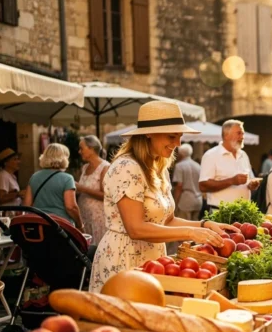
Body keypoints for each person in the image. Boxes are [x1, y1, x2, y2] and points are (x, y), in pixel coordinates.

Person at [91, 101, 238, 293]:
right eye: (172, 136)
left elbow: (166, 221)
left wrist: (204, 225)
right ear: (149, 133)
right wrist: (190, 233)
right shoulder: (126, 167)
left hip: (153, 260)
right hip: (124, 259)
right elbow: (135, 228)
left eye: (179, 137)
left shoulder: (159, 168)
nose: (177, 144)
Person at [199, 120, 261, 213]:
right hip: (220, 212)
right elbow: (203, 186)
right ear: (226, 135)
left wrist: (252, 184)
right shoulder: (211, 155)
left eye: (243, 134)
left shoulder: (243, 155)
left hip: (244, 212)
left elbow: (249, 180)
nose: (242, 137)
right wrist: (232, 181)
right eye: (239, 133)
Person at [24, 144, 83, 229]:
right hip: (61, 226)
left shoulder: (34, 177)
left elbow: (27, 205)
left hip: (39, 224)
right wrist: (80, 224)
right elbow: (71, 207)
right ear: (64, 158)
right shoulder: (67, 178)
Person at [76, 136, 110, 244]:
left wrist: (82, 188)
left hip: (98, 218)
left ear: (91, 148)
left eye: (82, 148)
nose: (79, 151)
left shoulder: (105, 167)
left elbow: (106, 195)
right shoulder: (85, 167)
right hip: (84, 216)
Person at [172, 143, 202, 221]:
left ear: (180, 154)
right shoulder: (198, 166)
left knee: (184, 226)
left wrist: (175, 202)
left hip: (185, 201)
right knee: (196, 226)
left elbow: (179, 186)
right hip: (198, 200)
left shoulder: (179, 166)